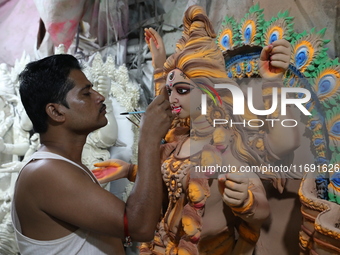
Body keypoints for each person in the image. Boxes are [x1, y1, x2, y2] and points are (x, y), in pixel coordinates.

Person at [93, 5, 300, 254]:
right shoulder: (178, 141)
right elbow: (166, 178)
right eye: (170, 92)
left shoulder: (229, 143)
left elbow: (281, 152)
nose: (172, 99)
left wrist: (246, 201)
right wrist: (129, 170)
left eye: (181, 90)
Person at [11, 54, 172, 255]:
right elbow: (139, 226)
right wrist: (148, 139)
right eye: (86, 93)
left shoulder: (64, 166)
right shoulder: (45, 172)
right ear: (56, 112)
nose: (99, 96)